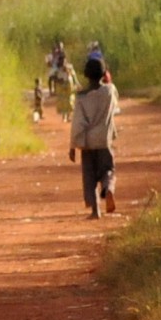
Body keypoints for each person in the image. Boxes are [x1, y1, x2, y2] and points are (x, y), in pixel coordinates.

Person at [69, 56, 120, 217]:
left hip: (87, 143)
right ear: (104, 73)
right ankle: (109, 189)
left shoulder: (81, 97)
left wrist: (72, 146)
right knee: (108, 171)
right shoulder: (110, 91)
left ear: (85, 74)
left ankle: (95, 210)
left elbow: (78, 123)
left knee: (89, 178)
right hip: (104, 141)